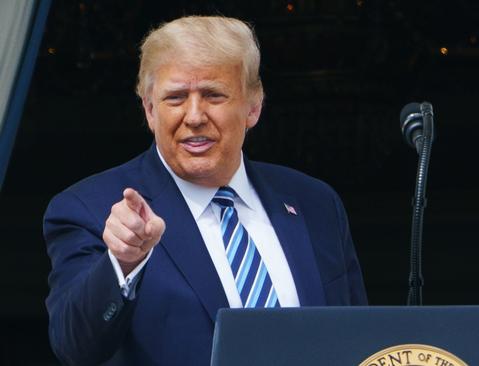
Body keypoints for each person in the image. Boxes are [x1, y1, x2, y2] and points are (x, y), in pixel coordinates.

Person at [44, 15, 367, 365]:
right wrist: (122, 263)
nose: (194, 116)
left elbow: (360, 340)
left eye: (213, 95)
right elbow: (74, 348)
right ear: (150, 110)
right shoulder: (89, 209)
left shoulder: (315, 203)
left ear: (253, 106)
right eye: (175, 97)